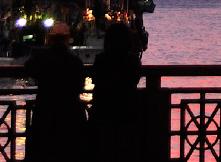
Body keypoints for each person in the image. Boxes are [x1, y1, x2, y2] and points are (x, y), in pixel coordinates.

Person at [24, 24, 88, 162]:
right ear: (68, 38)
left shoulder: (42, 59)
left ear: (50, 39)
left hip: (45, 117)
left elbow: (28, 67)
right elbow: (80, 86)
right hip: (70, 119)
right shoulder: (75, 62)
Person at [89, 23, 144, 162]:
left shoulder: (101, 60)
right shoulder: (132, 62)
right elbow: (134, 79)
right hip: (126, 117)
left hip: (103, 117)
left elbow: (95, 79)